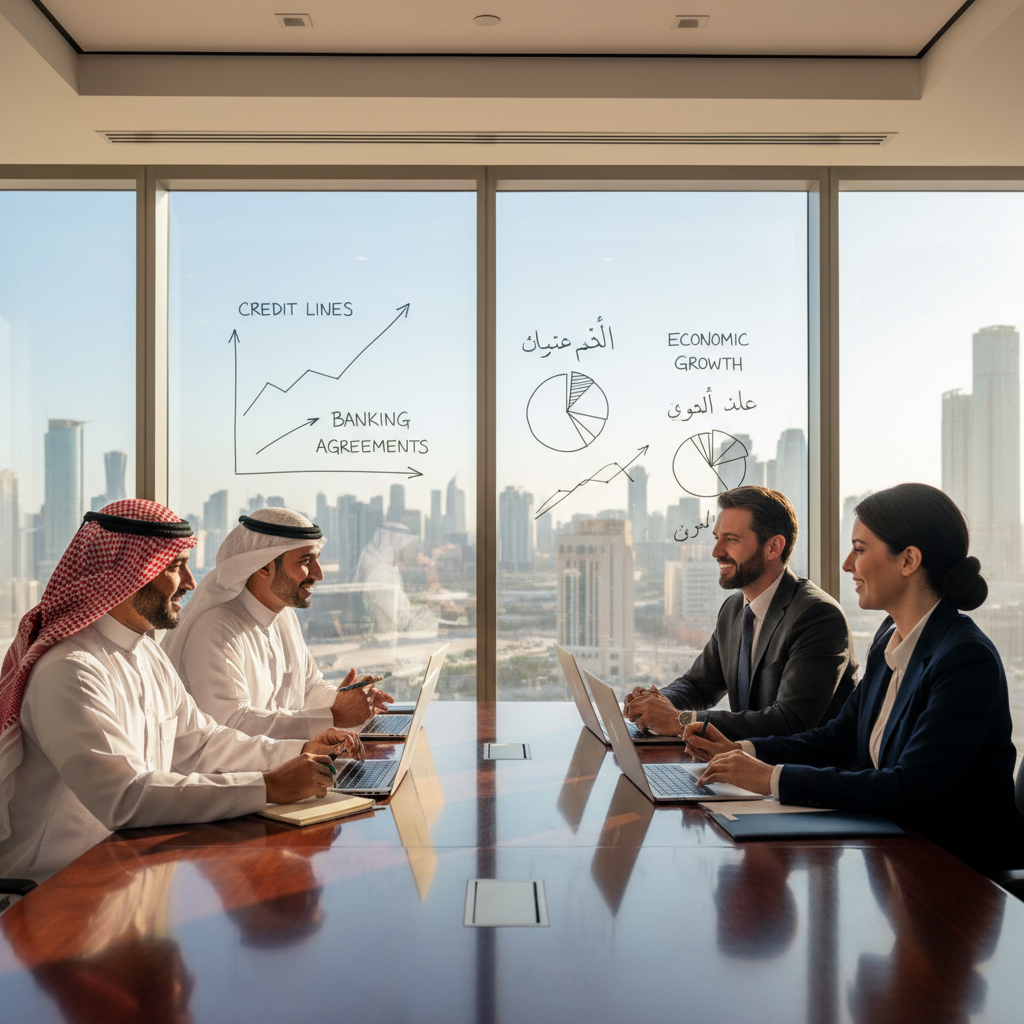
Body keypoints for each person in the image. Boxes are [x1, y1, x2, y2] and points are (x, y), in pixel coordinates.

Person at [0, 500, 364, 884]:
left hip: (131, 865)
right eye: (176, 568)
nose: (191, 582)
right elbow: (124, 796)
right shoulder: (69, 671)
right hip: (55, 884)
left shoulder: (146, 654)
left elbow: (202, 743)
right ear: (130, 574)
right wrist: (269, 786)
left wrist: (301, 754)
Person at [688, 483, 1024, 876]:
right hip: (892, 855)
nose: (847, 564)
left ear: (909, 560)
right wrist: (745, 750)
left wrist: (771, 778)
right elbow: (837, 737)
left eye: (860, 549)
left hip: (955, 875)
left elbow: (910, 789)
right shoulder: (890, 635)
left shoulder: (965, 659)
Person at [624, 486, 857, 740]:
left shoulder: (817, 616)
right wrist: (655, 702)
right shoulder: (734, 609)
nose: (716, 552)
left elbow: (790, 722)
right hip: (744, 764)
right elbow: (699, 684)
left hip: (800, 774)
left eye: (731, 540)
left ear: (773, 547)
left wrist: (681, 720)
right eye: (717, 538)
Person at [164, 508, 392, 739]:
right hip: (237, 774)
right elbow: (232, 725)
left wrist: (348, 700)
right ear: (263, 566)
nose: (318, 574)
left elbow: (309, 687)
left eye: (317, 560)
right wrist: (335, 716)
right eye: (306, 561)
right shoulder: (215, 629)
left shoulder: (283, 615)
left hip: (287, 763)